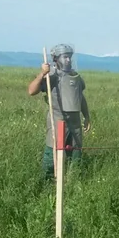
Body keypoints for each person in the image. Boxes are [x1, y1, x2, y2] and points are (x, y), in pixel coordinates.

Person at [28, 44, 91, 178]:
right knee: (52, 157)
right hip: (57, 122)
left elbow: (80, 97)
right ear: (56, 59)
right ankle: (47, 184)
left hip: (75, 124)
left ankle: (73, 182)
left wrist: (87, 116)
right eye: (65, 57)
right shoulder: (51, 76)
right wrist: (42, 74)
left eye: (70, 57)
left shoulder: (76, 76)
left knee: (75, 157)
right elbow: (31, 91)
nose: (68, 60)